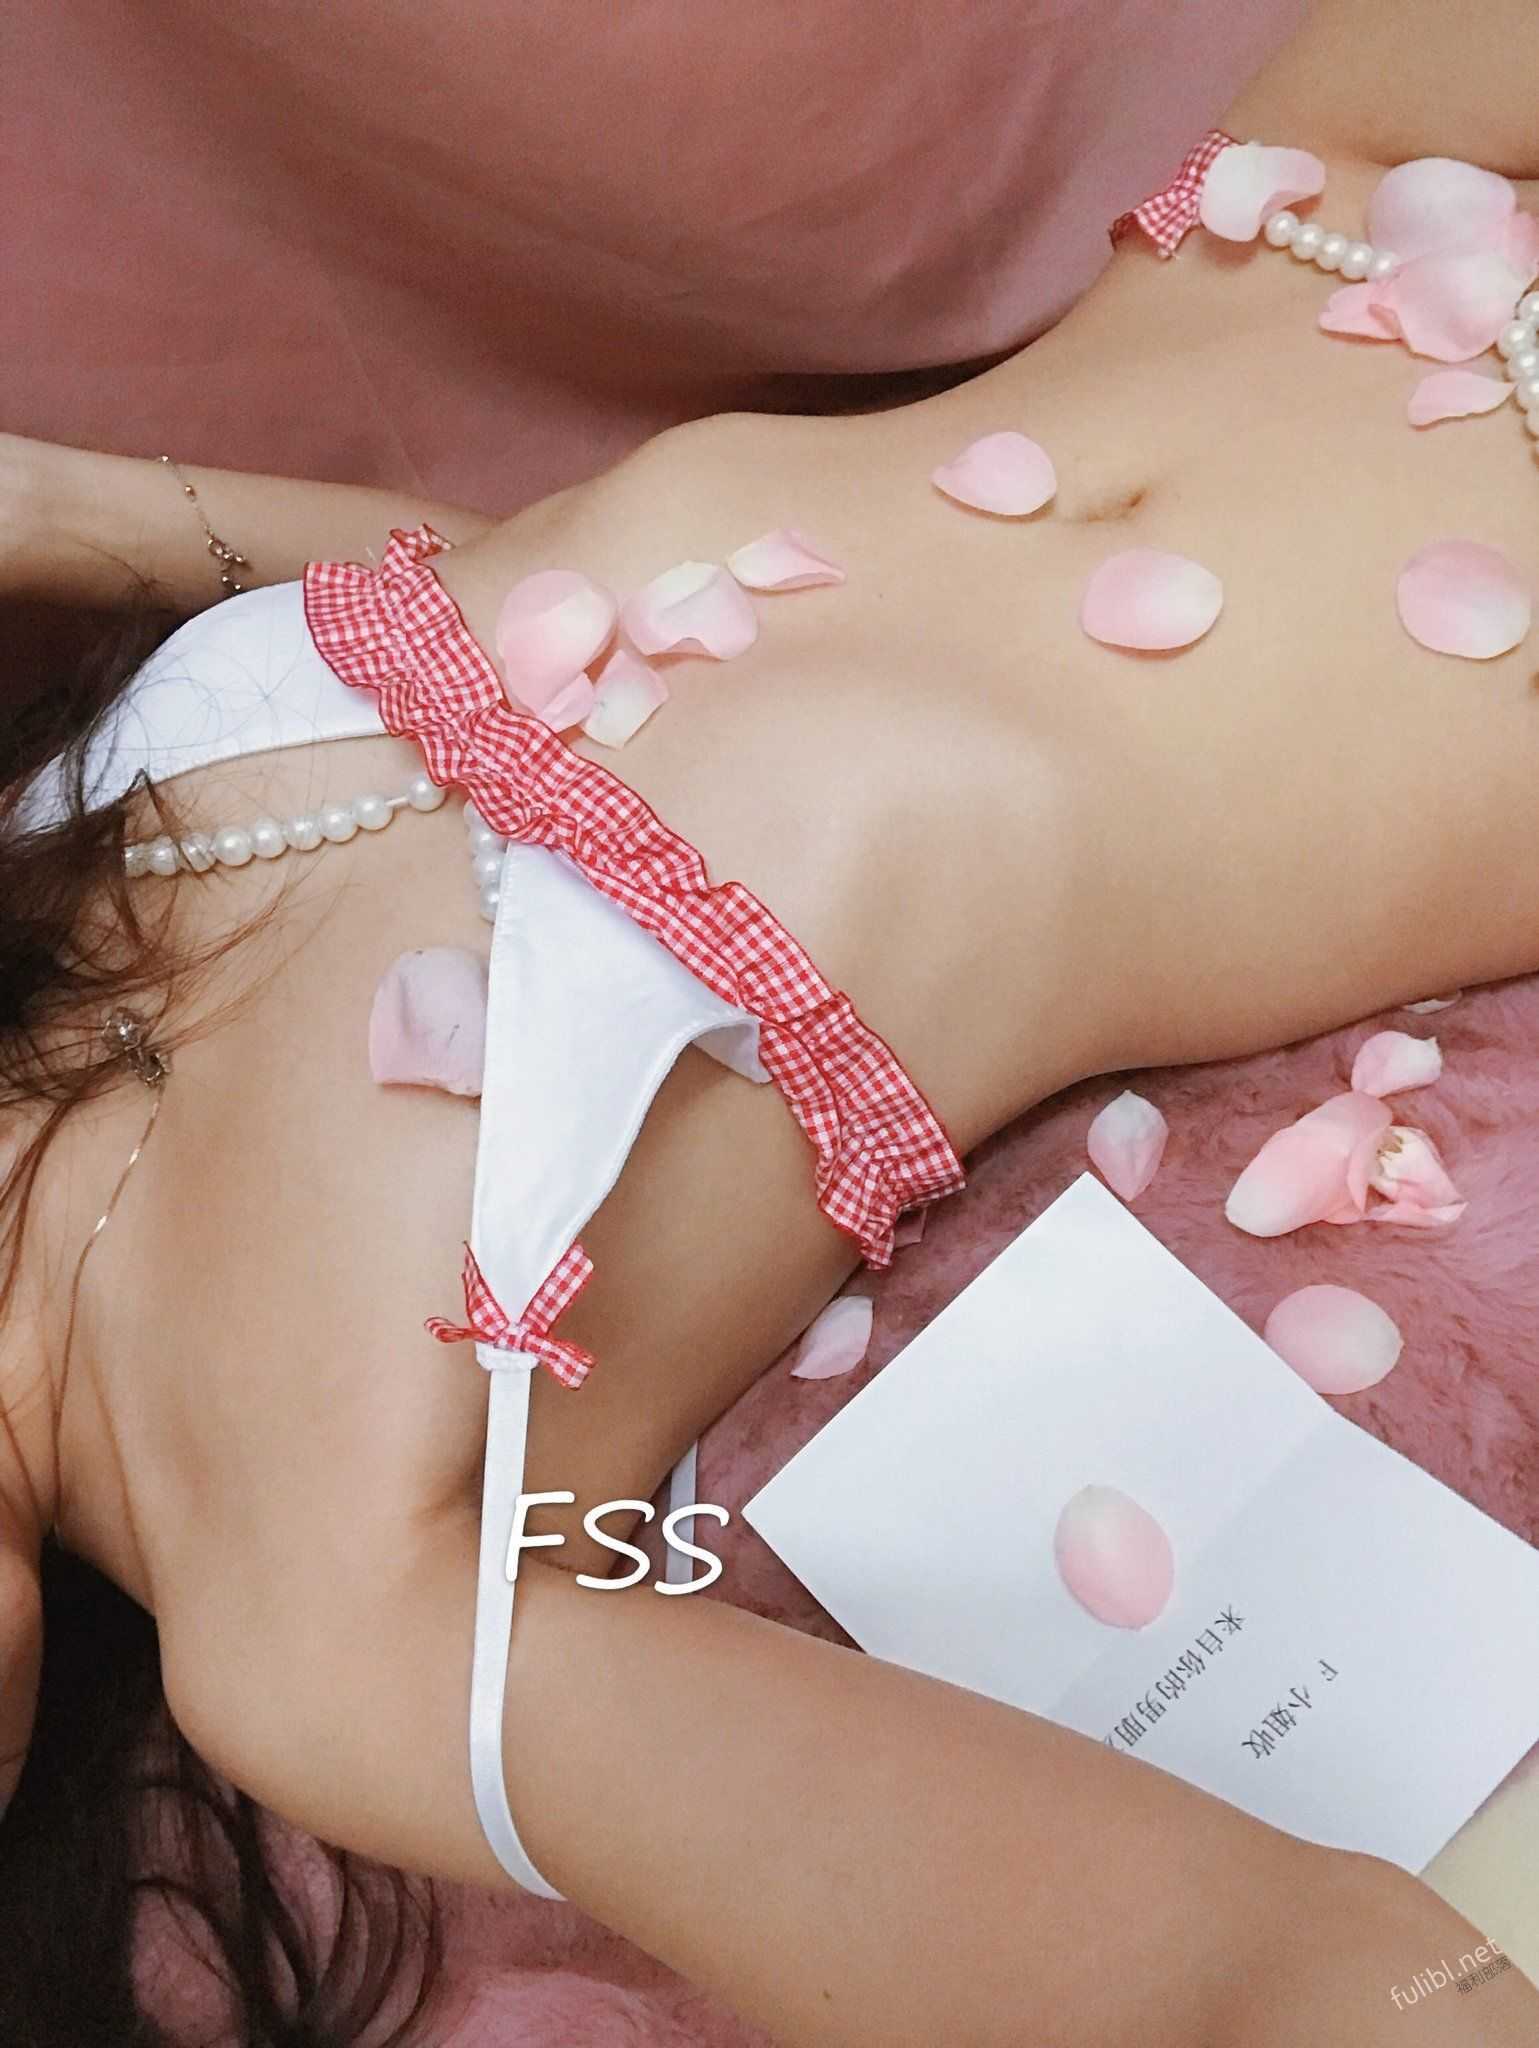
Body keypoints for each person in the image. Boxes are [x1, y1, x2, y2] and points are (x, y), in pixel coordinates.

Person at [5, 2, 1539, 2042]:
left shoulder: (42, 859)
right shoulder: (311, 1619)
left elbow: (512, 599)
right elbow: (1258, 1978)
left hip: (1340, 188)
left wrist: (55, 505)